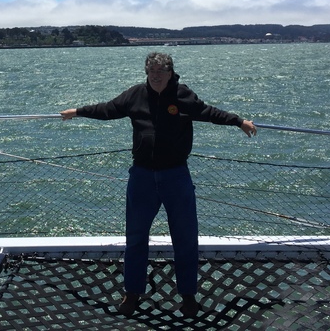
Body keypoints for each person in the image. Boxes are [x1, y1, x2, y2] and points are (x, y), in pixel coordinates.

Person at [60, 52, 257, 318]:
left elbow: (208, 112)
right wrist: (78, 112)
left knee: (185, 239)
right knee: (136, 238)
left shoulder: (182, 95)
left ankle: (188, 296)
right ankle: (132, 292)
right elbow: (108, 109)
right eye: (151, 71)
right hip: (142, 176)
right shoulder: (135, 95)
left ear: (170, 73)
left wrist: (238, 121)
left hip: (176, 176)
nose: (155, 76)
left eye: (160, 71)